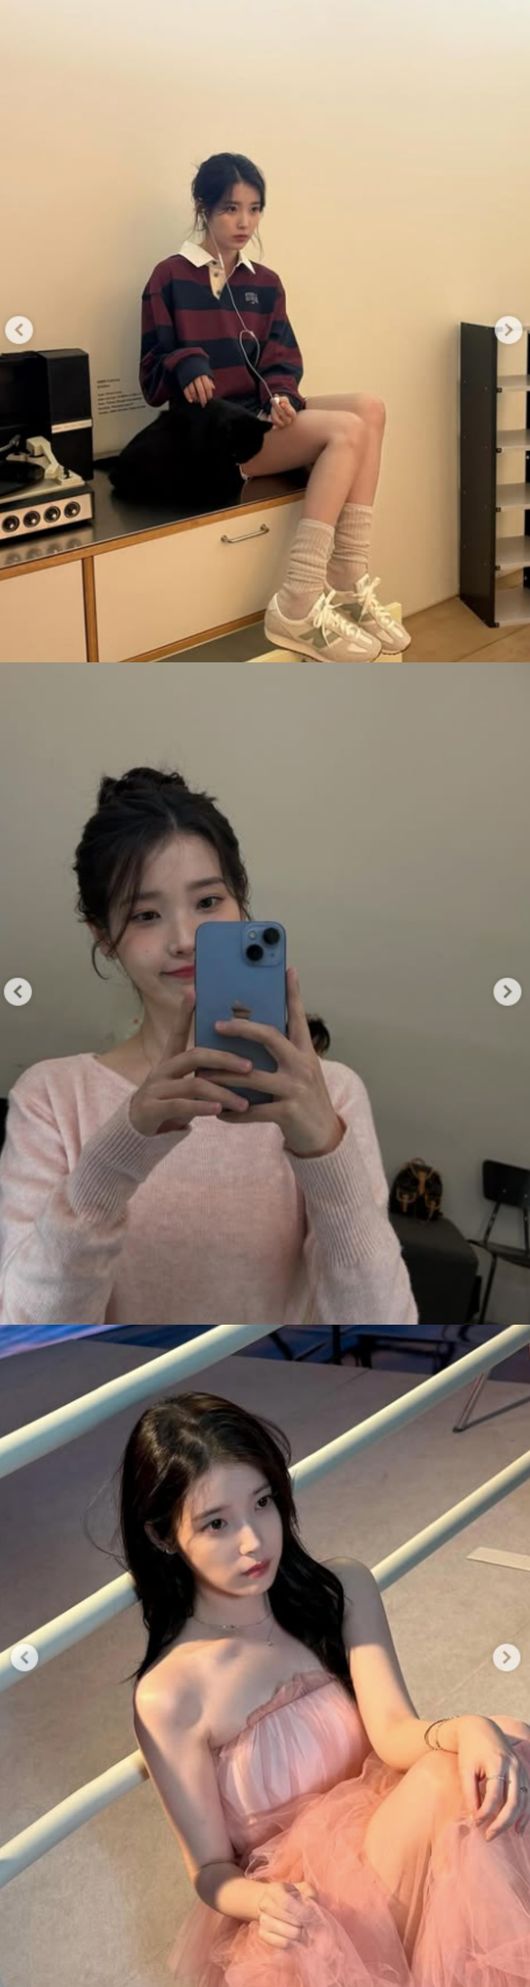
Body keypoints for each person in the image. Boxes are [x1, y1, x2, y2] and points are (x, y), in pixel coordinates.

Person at [121, 1391, 530, 1984]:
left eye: (262, 1502)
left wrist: (469, 1728)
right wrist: (261, 1901)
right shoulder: (170, 1694)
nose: (253, 1541)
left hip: (390, 1837)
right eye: (217, 1523)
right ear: (163, 1535)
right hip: (307, 1908)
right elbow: (209, 1869)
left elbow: (394, 1733)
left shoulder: (339, 1590)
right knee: (456, 1779)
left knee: (504, 1743)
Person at [0, 766, 417, 1331]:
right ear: (104, 937)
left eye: (208, 901)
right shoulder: (51, 1098)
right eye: (146, 915)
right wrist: (118, 1152)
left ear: (240, 902)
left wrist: (324, 1151)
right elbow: (28, 1336)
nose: (184, 939)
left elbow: (382, 1332)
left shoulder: (332, 1094)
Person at [140, 151, 411, 664]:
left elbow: (280, 358)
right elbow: (152, 372)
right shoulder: (170, 276)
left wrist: (281, 396)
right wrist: (187, 363)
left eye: (254, 209)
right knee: (346, 431)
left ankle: (348, 575)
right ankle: (300, 596)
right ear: (203, 208)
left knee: (370, 408)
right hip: (210, 433)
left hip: (256, 416)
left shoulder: (264, 282)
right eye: (230, 209)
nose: (244, 222)